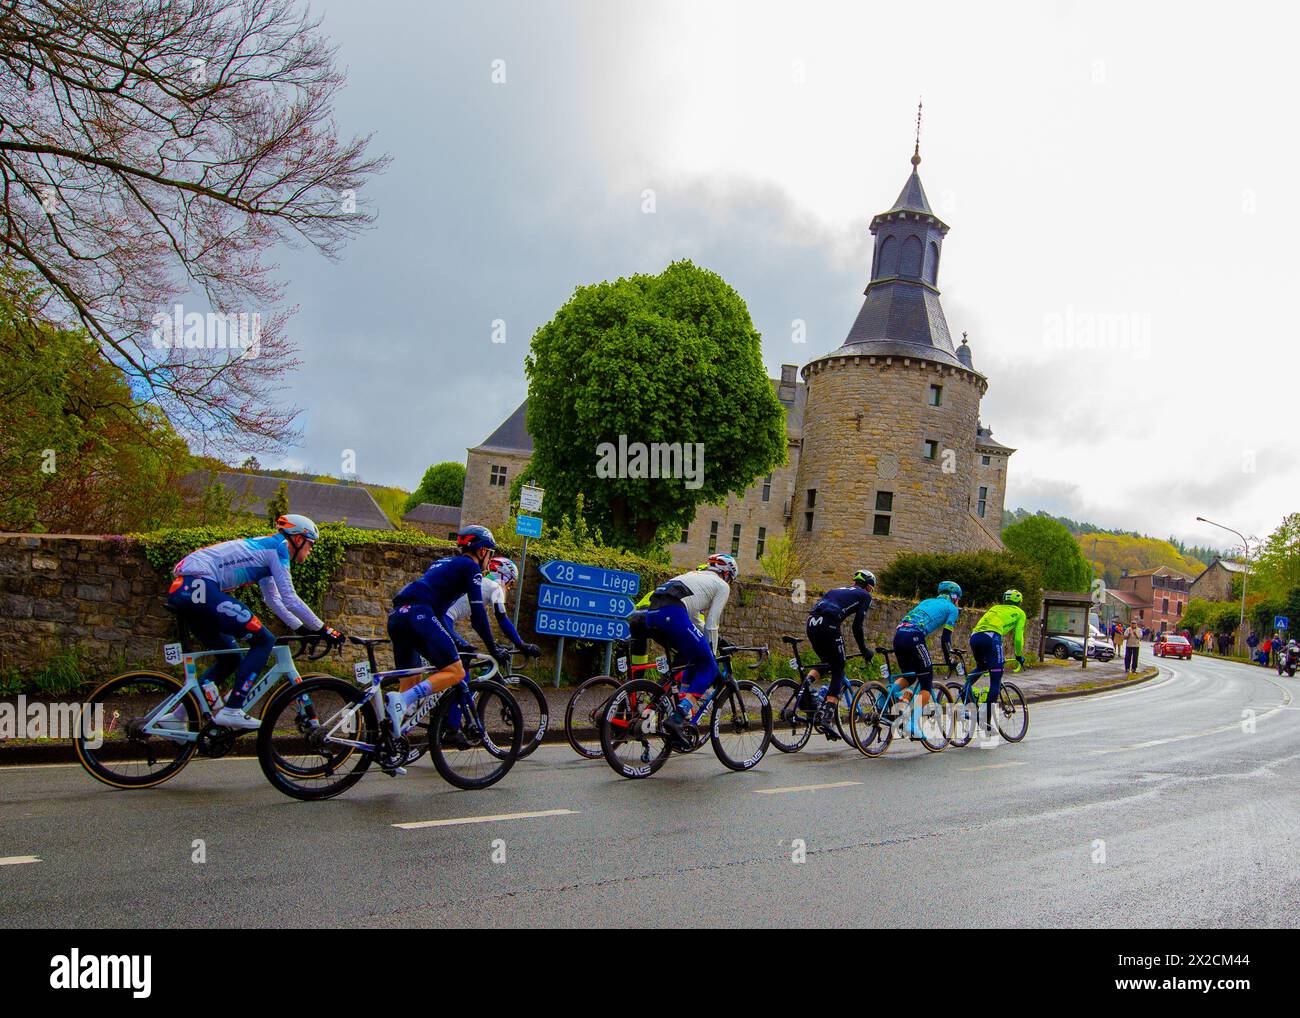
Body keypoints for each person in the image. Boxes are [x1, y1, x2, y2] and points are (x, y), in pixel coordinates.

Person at [167, 514, 345, 730]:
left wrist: (299, 627)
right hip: (199, 585)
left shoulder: (267, 551)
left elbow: (273, 599)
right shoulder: (278, 547)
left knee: (231, 659)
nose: (311, 550)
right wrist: (324, 629)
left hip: (185, 589)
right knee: (263, 641)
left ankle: (177, 718)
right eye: (310, 544)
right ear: (298, 540)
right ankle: (233, 709)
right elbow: (290, 597)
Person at [384, 525, 503, 756]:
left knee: (412, 678)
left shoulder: (446, 564)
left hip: (398, 616)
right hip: (418, 614)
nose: (490, 559)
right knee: (456, 671)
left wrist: (457, 642)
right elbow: (478, 619)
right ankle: (402, 700)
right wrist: (494, 649)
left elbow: (439, 617)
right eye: (490, 553)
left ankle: (390, 746)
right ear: (481, 552)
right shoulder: (470, 567)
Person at [626, 553, 736, 743]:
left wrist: (706, 643)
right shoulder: (722, 586)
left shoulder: (694, 576)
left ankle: (674, 700)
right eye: (731, 579)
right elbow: (711, 625)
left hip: (652, 613)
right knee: (709, 666)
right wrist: (713, 651)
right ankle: (678, 717)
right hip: (672, 614)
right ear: (726, 574)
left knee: (691, 655)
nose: (730, 583)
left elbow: (694, 620)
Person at [801, 569, 876, 734]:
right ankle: (827, 715)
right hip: (829, 623)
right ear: (868, 587)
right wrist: (864, 650)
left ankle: (803, 690)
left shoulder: (836, 590)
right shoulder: (865, 596)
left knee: (827, 662)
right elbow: (857, 626)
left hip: (811, 622)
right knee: (839, 668)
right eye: (872, 588)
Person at [888, 580, 962, 740]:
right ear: (955, 597)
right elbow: (945, 639)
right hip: (914, 636)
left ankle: (884, 700)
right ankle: (912, 724)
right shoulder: (952, 609)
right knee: (926, 684)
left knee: (909, 676)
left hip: (899, 635)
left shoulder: (927, 601)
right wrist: (949, 658)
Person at [444, 556, 541, 663]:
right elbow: (502, 619)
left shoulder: (481, 582)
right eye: (512, 582)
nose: (509, 587)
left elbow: (476, 623)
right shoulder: (495, 587)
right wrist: (521, 644)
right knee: (466, 656)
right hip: (444, 620)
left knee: (461, 657)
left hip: (441, 618)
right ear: (505, 576)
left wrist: (493, 644)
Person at [968, 589, 1027, 746]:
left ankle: (965, 692)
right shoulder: (1020, 612)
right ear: (1019, 602)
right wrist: (1019, 656)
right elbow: (1018, 638)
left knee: (981, 666)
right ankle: (984, 719)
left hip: (974, 637)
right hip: (992, 637)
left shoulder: (994, 608)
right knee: (996, 678)